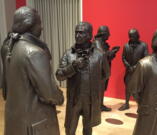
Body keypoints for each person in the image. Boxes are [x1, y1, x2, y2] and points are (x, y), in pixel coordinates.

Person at [1, 6, 64, 135]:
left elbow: (7, 88)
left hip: (15, 120)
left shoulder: (8, 47)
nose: (41, 27)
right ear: (29, 25)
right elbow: (48, 93)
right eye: (39, 24)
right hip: (35, 124)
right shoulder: (34, 53)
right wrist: (60, 96)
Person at [56, 22, 109, 135]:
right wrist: (73, 67)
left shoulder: (100, 55)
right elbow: (59, 75)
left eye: (81, 33)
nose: (77, 35)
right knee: (70, 129)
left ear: (90, 35)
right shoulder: (68, 54)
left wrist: (93, 85)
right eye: (76, 32)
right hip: (74, 100)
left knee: (88, 130)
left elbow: (106, 74)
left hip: (90, 100)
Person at [118, 28, 148, 111]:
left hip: (139, 71)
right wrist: (127, 65)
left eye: (133, 36)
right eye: (130, 36)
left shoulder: (143, 45)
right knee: (127, 87)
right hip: (129, 70)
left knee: (139, 89)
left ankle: (140, 105)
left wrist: (136, 67)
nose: (131, 38)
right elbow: (123, 57)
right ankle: (126, 103)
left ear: (138, 36)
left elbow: (146, 58)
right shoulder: (126, 46)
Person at [94, 25, 120, 111]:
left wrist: (111, 51)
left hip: (102, 69)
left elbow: (104, 54)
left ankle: (100, 105)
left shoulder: (101, 43)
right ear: (103, 34)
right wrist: (111, 52)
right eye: (108, 34)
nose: (109, 36)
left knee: (101, 88)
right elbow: (102, 55)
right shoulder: (97, 42)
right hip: (99, 70)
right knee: (99, 88)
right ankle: (97, 106)